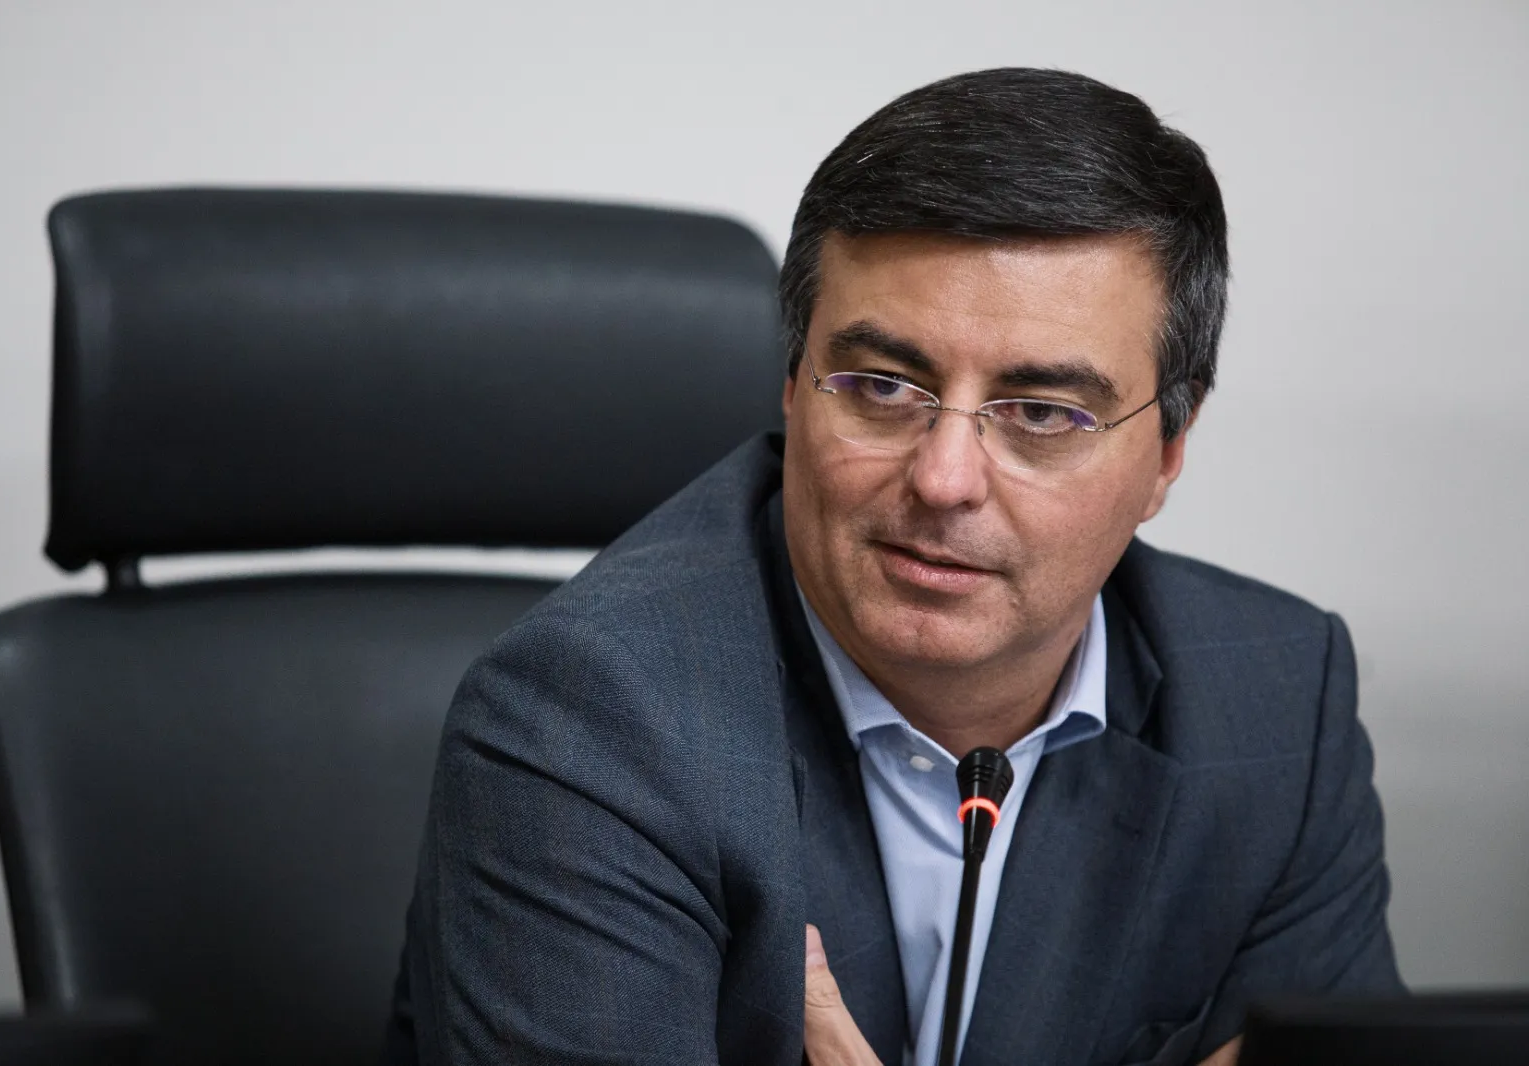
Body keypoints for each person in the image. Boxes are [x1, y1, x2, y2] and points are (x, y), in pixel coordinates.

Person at [383, 68, 1403, 1066]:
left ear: (1168, 451)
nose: (944, 479)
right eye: (880, 386)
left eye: (1041, 412)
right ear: (794, 384)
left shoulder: (1278, 701)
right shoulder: (584, 720)